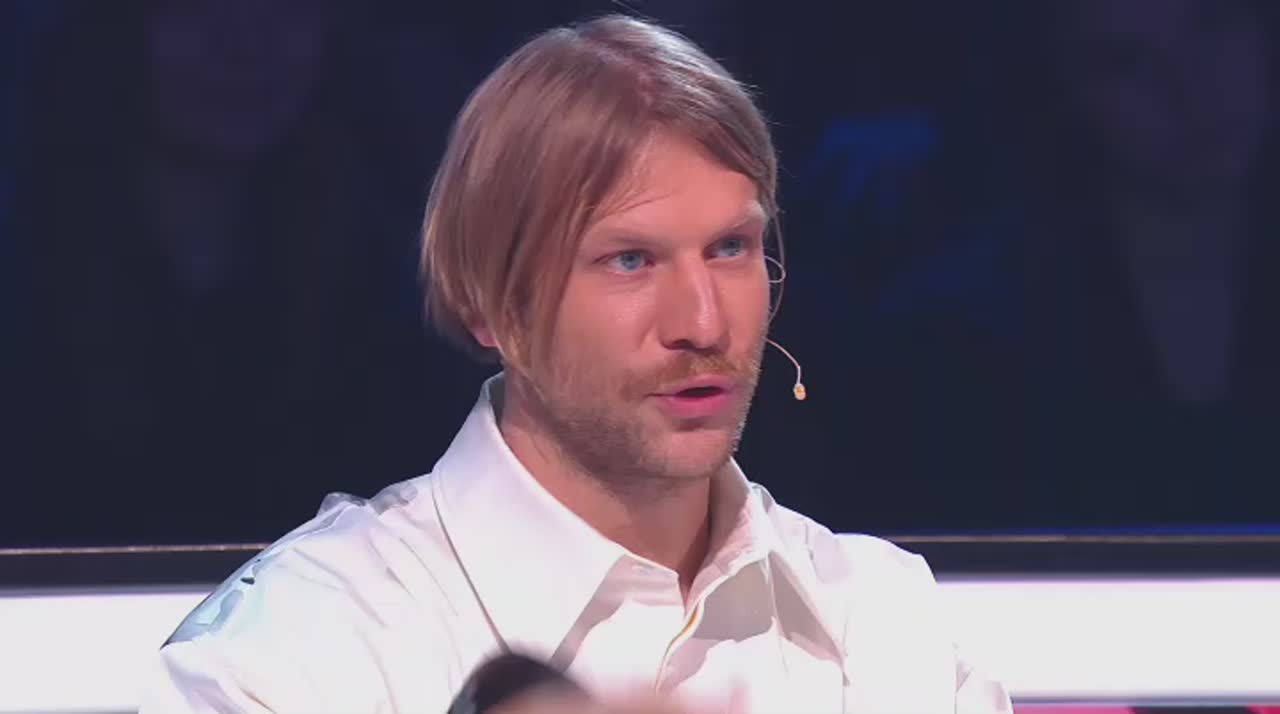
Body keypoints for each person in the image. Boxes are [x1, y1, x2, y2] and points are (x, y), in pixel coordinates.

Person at [141, 14, 1012, 714]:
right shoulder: (299, 654)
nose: (703, 322)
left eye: (731, 248)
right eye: (630, 260)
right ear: (492, 303)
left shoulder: (885, 626)